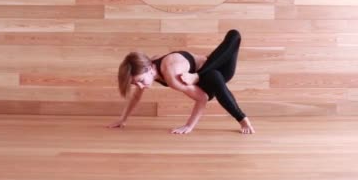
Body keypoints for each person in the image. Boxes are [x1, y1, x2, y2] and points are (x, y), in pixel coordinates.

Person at [107, 29, 255, 134]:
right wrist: (123, 119)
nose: (140, 86)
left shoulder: (171, 74)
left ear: (149, 69)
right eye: (135, 83)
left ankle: (242, 118)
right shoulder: (148, 66)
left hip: (218, 72)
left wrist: (189, 126)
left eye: (139, 81)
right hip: (209, 78)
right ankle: (199, 75)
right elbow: (136, 96)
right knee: (213, 75)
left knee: (234, 36)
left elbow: (203, 98)